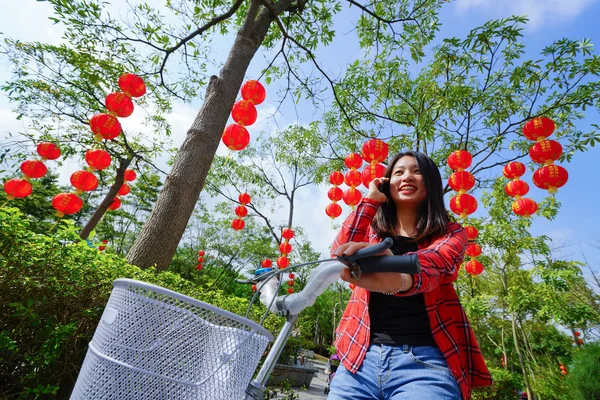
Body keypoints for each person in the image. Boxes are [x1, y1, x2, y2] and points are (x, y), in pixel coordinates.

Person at [328, 151, 492, 400]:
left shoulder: (451, 234)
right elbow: (338, 251)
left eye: (417, 171)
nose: (407, 177)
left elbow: (435, 263)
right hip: (359, 361)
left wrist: (398, 277)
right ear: (386, 182)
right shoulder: (373, 233)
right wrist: (371, 200)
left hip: (425, 365)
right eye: (398, 172)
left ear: (431, 183)